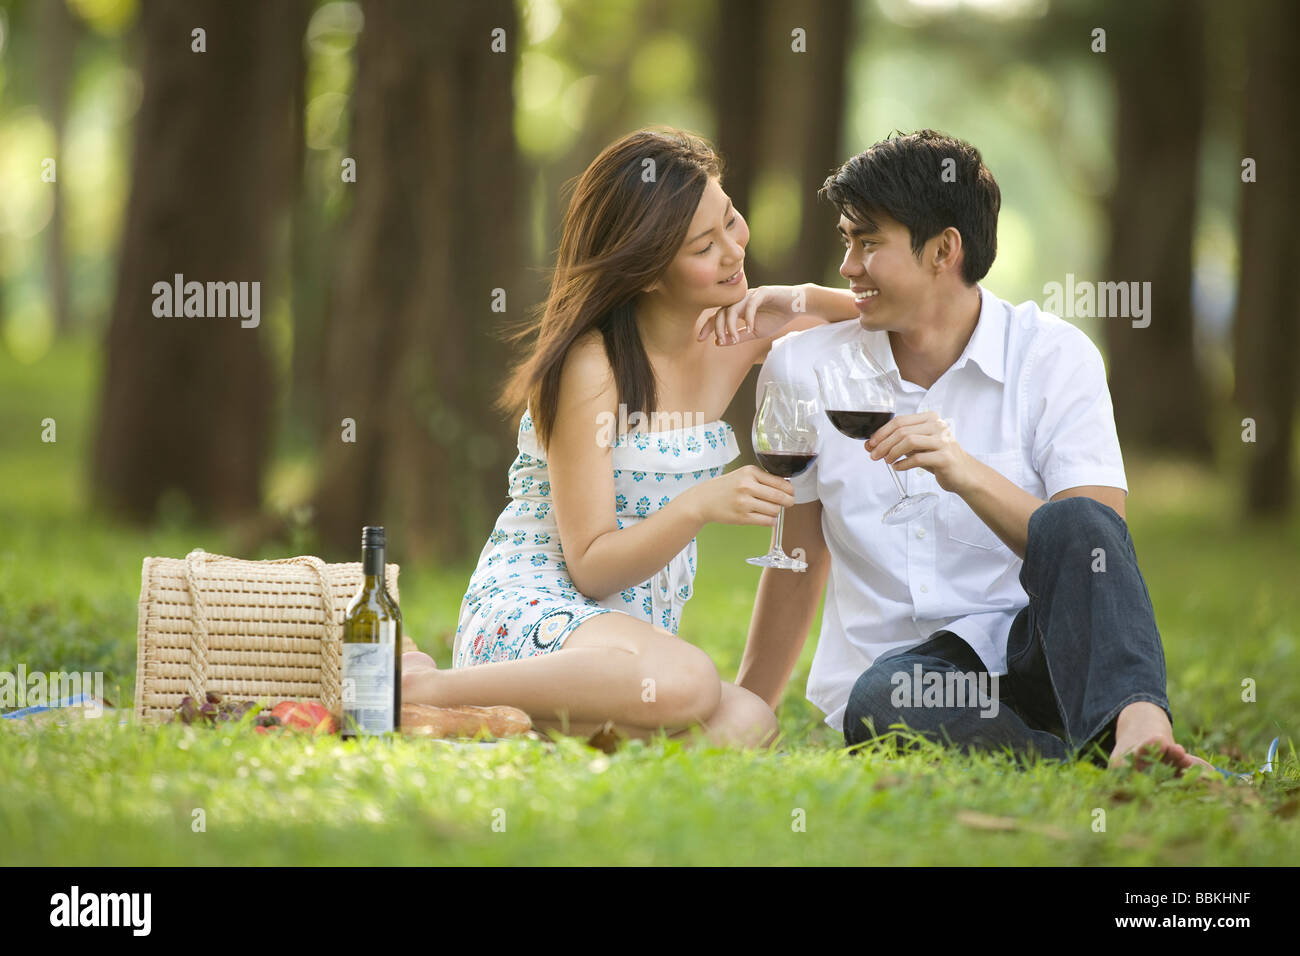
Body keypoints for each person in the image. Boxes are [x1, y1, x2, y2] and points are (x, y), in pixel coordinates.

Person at [737, 129, 1214, 773]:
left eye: (869, 241)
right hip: (903, 684)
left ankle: (1139, 729)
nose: (848, 264)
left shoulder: (1053, 357)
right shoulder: (804, 367)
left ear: (944, 250)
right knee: (880, 697)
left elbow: (1095, 550)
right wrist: (748, 707)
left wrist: (965, 475)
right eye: (847, 240)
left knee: (1075, 520)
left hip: (1040, 656)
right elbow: (798, 553)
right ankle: (1093, 768)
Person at [401, 128, 861, 747]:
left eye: (731, 220)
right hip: (536, 616)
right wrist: (700, 506)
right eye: (704, 245)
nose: (733, 251)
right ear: (646, 271)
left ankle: (494, 728)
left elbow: (900, 315)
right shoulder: (594, 367)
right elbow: (590, 567)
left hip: (626, 652)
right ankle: (419, 689)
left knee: (751, 722)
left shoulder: (741, 330)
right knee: (690, 682)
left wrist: (801, 296)